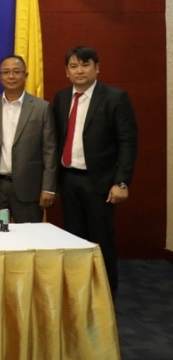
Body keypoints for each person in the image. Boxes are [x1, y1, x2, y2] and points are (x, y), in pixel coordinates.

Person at [53, 46, 137, 293]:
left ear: (97, 68)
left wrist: (121, 182)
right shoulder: (61, 98)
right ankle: (79, 293)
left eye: (85, 64)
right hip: (69, 180)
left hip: (100, 183)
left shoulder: (115, 98)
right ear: (67, 72)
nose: (79, 70)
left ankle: (105, 297)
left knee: (101, 242)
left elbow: (128, 142)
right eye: (73, 66)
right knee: (74, 240)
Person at [0, 55, 57, 223]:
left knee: (29, 236)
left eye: (16, 72)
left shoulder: (41, 108)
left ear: (26, 75)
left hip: (29, 188)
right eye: (6, 72)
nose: (11, 76)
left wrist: (48, 187)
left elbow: (50, 150)